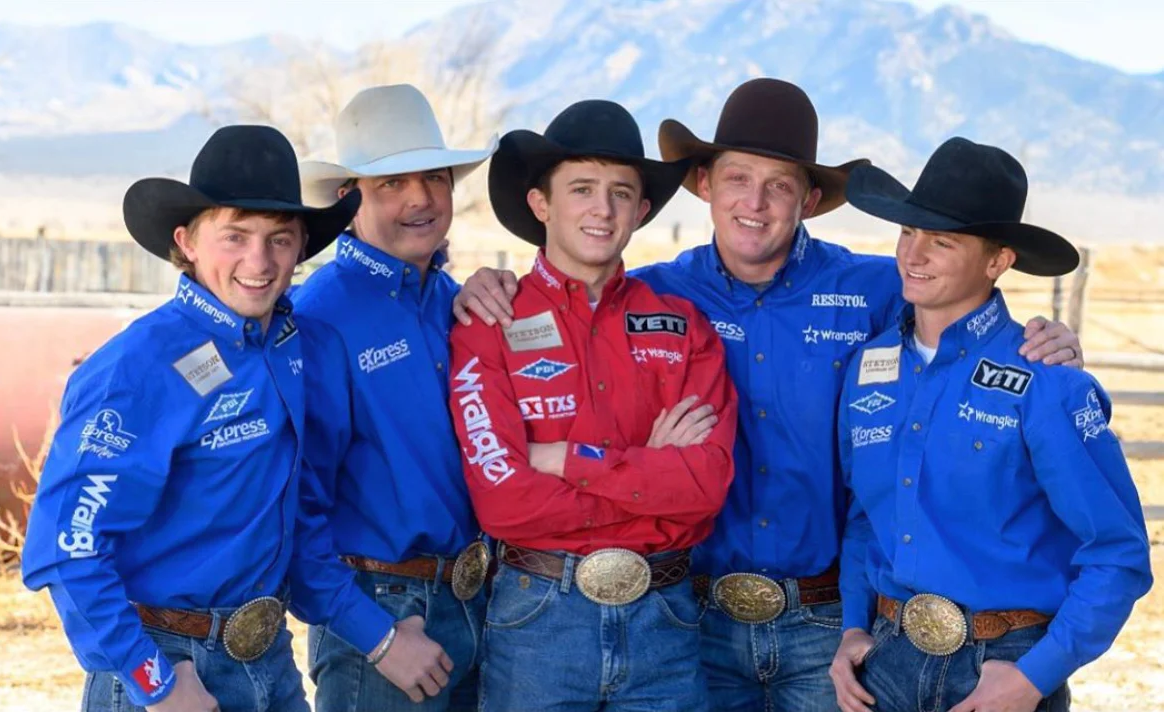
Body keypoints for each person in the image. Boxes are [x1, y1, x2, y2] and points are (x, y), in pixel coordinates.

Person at [453, 78, 1086, 711]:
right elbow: (574, 294)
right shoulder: (658, 299)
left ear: (809, 199)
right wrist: (483, 287)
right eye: (736, 179)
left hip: (827, 624)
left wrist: (1046, 341)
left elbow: (962, 306)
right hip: (690, 618)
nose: (754, 203)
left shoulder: (874, 290)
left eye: (779, 185)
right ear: (704, 185)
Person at [21, 125, 367, 711]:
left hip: (269, 659)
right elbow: (68, 545)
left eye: (279, 239)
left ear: (302, 246)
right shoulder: (137, 368)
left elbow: (299, 514)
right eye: (235, 236)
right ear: (187, 241)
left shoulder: (293, 347)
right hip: (169, 668)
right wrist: (153, 681)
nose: (258, 261)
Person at [830, 137, 1152, 712]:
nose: (913, 255)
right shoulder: (867, 368)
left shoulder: (1049, 383)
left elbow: (1117, 554)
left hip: (1001, 668)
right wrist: (854, 627)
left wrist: (1034, 678)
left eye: (942, 241)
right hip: (887, 664)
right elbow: (863, 519)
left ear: (998, 260)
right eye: (908, 233)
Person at [448, 99, 737, 712]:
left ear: (643, 209)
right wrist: (650, 469)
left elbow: (705, 488)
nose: (602, 210)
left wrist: (563, 458)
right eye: (581, 189)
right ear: (541, 204)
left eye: (621, 193)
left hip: (665, 621)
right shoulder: (488, 322)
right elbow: (503, 499)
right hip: (538, 621)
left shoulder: (685, 328)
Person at [290, 83, 498, 711]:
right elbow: (295, 506)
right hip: (383, 622)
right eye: (391, 185)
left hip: (477, 607)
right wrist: (376, 638)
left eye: (434, 178)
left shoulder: (454, 300)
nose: (421, 199)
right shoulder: (321, 318)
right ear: (348, 199)